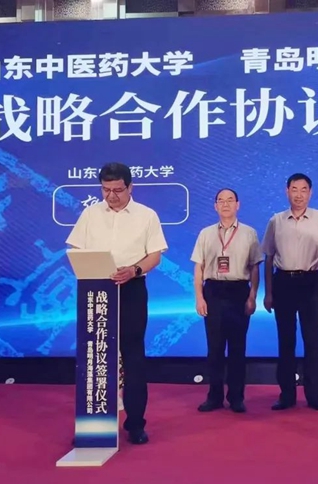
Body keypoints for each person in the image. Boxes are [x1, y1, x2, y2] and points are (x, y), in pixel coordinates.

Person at [66, 162, 168, 445]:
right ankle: (93, 425)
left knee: (133, 357)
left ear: (130, 187)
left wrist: (134, 270)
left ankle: (135, 424)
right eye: (106, 190)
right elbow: (76, 249)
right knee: (95, 356)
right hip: (95, 291)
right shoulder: (90, 214)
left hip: (131, 289)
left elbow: (155, 255)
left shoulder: (147, 215)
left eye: (117, 190)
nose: (111, 196)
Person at [261, 173, 318, 411]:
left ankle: (314, 395)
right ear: (287, 191)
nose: (299, 194)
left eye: (304, 189)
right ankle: (286, 395)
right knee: (285, 341)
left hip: (311, 283)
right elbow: (268, 258)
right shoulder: (276, 221)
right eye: (294, 189)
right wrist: (268, 292)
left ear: (310, 192)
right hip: (283, 283)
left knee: (312, 341)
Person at [191, 188, 263, 413]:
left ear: (237, 205)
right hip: (213, 291)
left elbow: (255, 267)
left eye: (230, 200)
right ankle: (214, 397)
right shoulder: (206, 233)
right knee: (214, 348)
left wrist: (252, 296)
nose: (225, 204)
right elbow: (199, 267)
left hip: (239, 291)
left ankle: (236, 397)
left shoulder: (249, 233)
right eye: (220, 201)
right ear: (215, 206)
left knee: (237, 348)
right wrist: (199, 297)